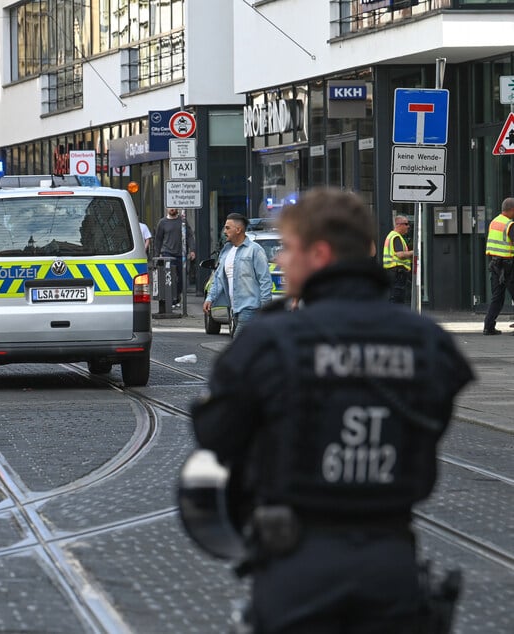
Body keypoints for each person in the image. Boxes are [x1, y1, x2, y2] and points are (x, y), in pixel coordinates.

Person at [188, 188, 473, 633]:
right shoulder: (428, 342)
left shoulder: (270, 341)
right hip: (392, 568)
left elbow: (215, 436)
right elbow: (431, 425)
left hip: (297, 569)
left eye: (288, 248)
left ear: (318, 254)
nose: (280, 261)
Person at [202, 213, 272, 337]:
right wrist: (210, 298)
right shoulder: (226, 251)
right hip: (234, 309)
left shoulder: (255, 250)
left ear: (238, 229)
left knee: (238, 347)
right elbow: (218, 278)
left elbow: (265, 280)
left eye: (228, 228)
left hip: (250, 308)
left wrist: (265, 308)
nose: (224, 231)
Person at [483, 197, 514, 335]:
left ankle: (488, 326)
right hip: (508, 264)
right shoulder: (509, 224)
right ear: (512, 210)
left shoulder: (494, 222)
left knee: (497, 297)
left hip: (495, 264)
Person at [153, 208, 195, 308]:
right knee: (169, 277)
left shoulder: (183, 222)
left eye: (174, 207)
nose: (172, 209)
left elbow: (189, 236)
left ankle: (177, 296)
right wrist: (157, 254)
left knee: (181, 278)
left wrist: (192, 250)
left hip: (181, 254)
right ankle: (171, 299)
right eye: (170, 207)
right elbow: (158, 239)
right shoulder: (162, 222)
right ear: (167, 209)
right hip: (167, 253)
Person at [382, 215, 413, 304]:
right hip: (397, 272)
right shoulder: (396, 237)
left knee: (394, 297)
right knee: (397, 298)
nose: (408, 226)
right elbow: (400, 254)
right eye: (406, 224)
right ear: (398, 225)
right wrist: (414, 252)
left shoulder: (392, 236)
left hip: (393, 272)